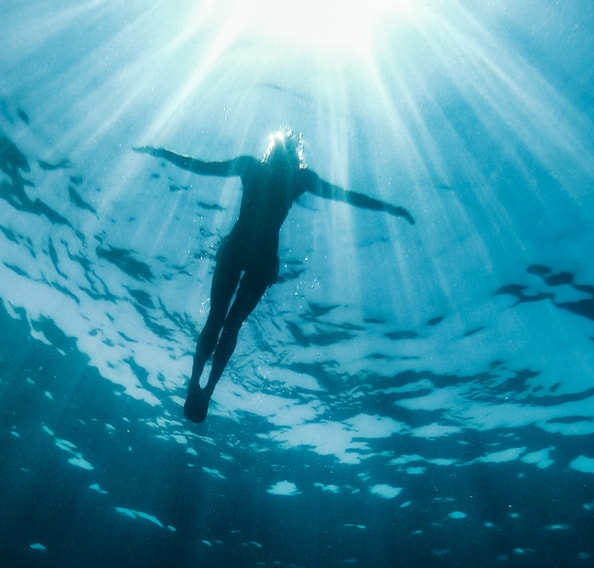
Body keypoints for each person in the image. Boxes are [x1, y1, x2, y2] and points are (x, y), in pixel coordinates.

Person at [134, 129, 415, 423]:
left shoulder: (281, 174)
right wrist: (160, 152)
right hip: (254, 257)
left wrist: (390, 208)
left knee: (226, 322)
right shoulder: (279, 174)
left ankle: (202, 386)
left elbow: (347, 197)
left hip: (250, 255)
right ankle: (198, 385)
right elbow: (200, 166)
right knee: (224, 321)